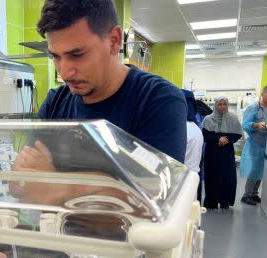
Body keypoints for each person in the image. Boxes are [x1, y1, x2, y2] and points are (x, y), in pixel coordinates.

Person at [34, 0, 187, 163]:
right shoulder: (55, 103)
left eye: (77, 55)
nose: (64, 73)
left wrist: (59, 185)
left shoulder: (159, 100)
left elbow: (158, 185)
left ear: (114, 41)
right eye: (55, 56)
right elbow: (26, 176)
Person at [239, 86, 267, 205]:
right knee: (254, 169)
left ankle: (254, 193)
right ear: (263, 94)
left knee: (261, 170)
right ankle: (246, 195)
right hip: (255, 144)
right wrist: (256, 125)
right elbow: (245, 125)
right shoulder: (253, 108)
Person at [201, 97, 243, 209]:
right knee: (212, 176)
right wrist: (218, 139)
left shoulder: (233, 118)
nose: (222, 106)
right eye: (220, 104)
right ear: (215, 105)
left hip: (226, 153)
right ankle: (211, 202)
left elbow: (238, 134)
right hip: (212, 152)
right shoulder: (208, 119)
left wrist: (227, 139)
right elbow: (205, 135)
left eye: (225, 104)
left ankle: (225, 201)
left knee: (227, 177)